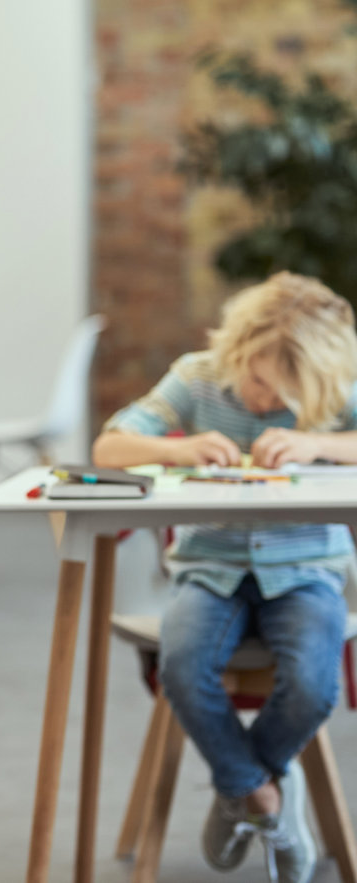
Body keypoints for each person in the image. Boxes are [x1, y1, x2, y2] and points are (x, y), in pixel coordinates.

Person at [93, 271, 357, 883]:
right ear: (238, 349)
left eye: (283, 392)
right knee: (182, 668)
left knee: (315, 687)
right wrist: (176, 451)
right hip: (208, 568)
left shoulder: (331, 388)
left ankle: (238, 784)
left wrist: (319, 446)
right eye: (259, 380)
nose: (266, 401)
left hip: (305, 571)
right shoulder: (198, 375)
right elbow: (110, 448)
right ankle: (265, 799)